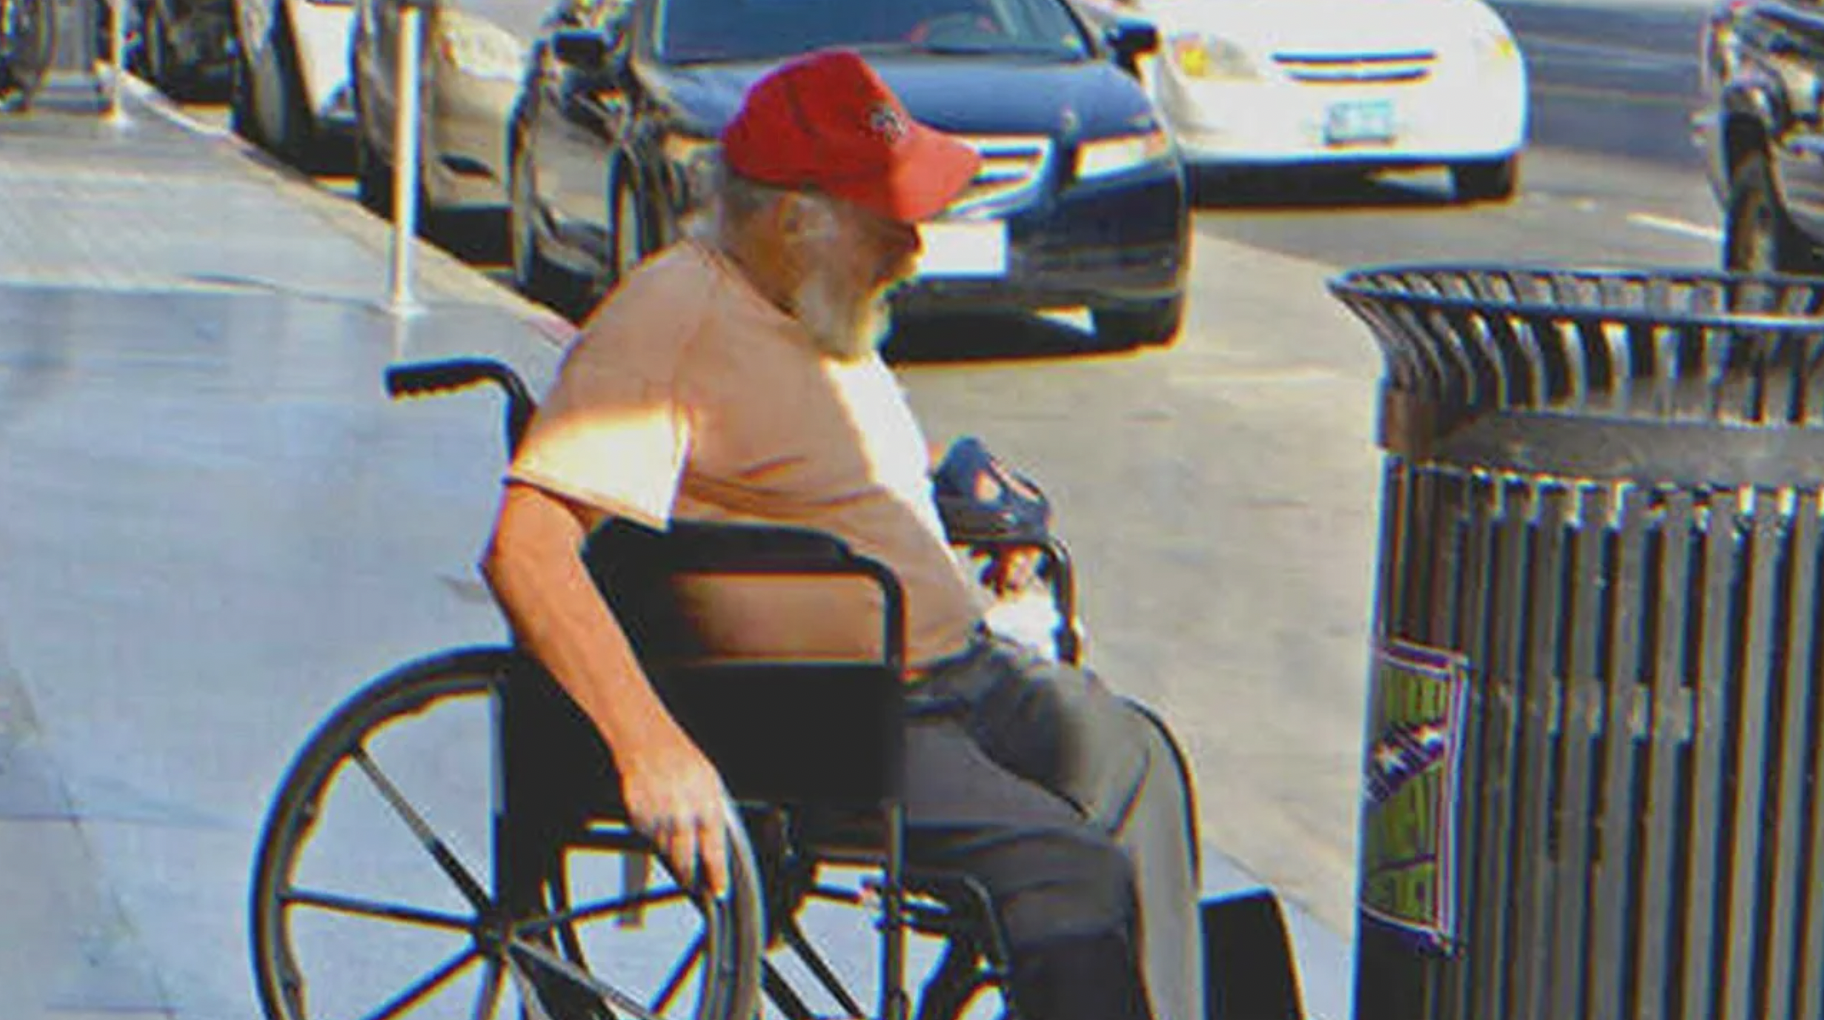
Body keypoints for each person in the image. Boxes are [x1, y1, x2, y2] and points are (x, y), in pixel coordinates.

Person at [481, 48, 1203, 1020]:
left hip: (950, 670)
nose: (915, 246)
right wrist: (648, 746)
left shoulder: (817, 310)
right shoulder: (672, 316)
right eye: (888, 222)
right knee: (1064, 871)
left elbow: (815, 467)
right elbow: (525, 549)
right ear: (797, 220)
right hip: (831, 713)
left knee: (1138, 761)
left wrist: (961, 493)